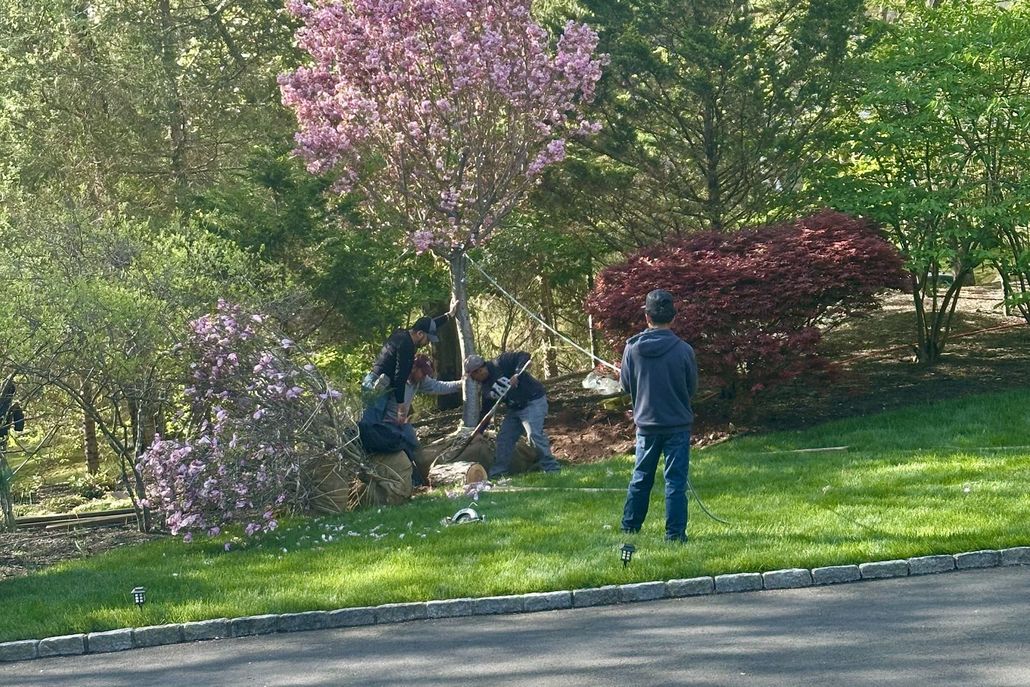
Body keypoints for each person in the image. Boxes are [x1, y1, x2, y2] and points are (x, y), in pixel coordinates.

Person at [619, 289, 698, 542]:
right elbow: (691, 388)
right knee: (675, 482)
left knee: (641, 478)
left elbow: (625, 386)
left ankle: (630, 528)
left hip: (647, 426)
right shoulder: (684, 350)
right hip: (677, 424)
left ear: (647, 317)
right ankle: (675, 535)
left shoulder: (631, 349)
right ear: (672, 317)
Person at [463, 352, 561, 478]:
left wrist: (517, 373)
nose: (473, 379)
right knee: (504, 438)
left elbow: (524, 356)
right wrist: (479, 432)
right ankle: (498, 473)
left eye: (473, 376)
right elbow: (487, 411)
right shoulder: (486, 388)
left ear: (479, 370)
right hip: (514, 409)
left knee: (534, 435)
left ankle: (552, 469)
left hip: (533, 400)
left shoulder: (500, 363)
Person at [361, 299, 458, 426]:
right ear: (420, 334)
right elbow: (399, 377)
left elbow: (429, 324)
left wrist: (449, 315)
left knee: (377, 425)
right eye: (427, 339)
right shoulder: (406, 346)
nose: (427, 343)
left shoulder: (402, 334)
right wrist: (401, 408)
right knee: (370, 425)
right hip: (377, 385)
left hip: (380, 384)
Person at [385, 355, 463, 485]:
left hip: (403, 424)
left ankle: (421, 481)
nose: (424, 376)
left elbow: (437, 386)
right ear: (414, 368)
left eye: (427, 373)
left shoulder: (420, 381)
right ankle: (407, 482)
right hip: (387, 425)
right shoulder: (398, 378)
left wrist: (460, 384)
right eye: (423, 372)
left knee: (415, 449)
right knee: (400, 453)